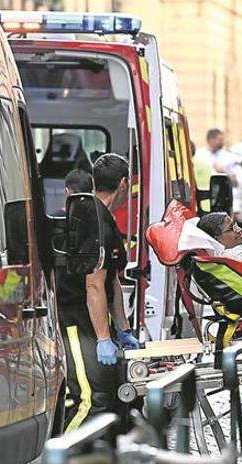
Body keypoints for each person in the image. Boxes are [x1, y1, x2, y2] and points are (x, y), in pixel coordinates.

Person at [58, 154, 141, 433]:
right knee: (89, 400)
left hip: (93, 319)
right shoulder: (94, 221)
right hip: (76, 320)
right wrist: (104, 339)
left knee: (109, 397)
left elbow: (112, 282)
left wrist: (123, 329)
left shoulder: (103, 218)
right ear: (123, 183)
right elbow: (93, 285)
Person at [195, 128, 242, 222]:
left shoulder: (228, 157)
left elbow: (236, 181)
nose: (222, 142)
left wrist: (223, 172)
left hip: (222, 202)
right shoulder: (199, 156)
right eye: (219, 140)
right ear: (210, 140)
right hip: (202, 200)